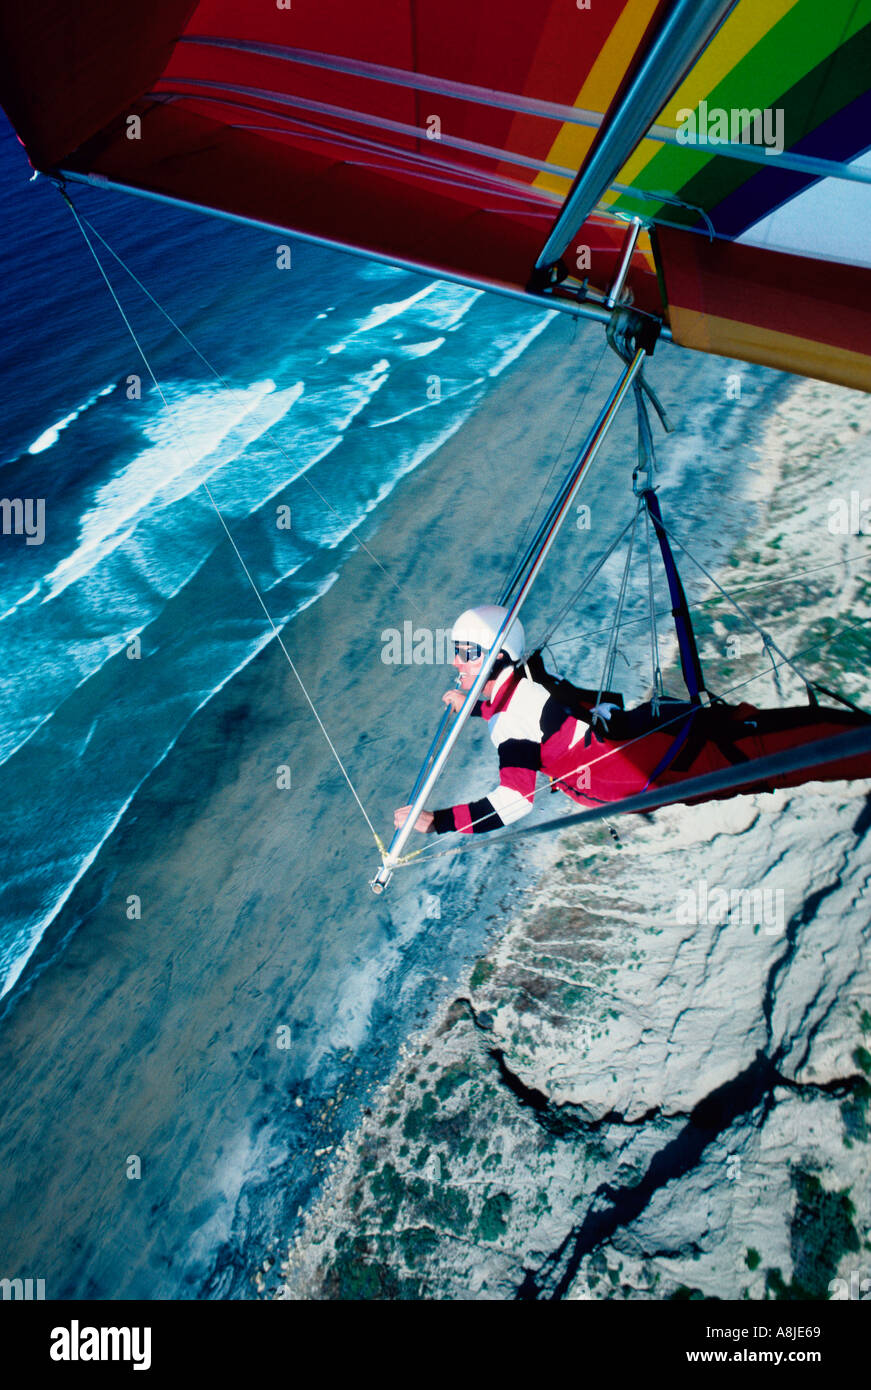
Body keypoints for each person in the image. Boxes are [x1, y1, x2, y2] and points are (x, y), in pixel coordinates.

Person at [393, 604, 613, 835]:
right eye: (457, 651)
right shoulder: (528, 679)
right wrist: (475, 709)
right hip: (615, 737)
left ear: (497, 657)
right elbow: (533, 715)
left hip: (611, 782)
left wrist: (438, 821)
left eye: (467, 654)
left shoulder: (510, 719)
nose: (455, 662)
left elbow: (516, 801)